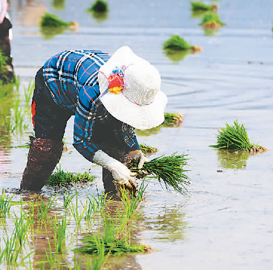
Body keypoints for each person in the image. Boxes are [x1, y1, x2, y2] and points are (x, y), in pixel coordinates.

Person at [20, 46, 167, 197]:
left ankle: (116, 201)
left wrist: (135, 152)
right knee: (47, 150)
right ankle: (28, 194)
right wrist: (113, 165)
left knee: (116, 148)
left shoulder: (133, 89)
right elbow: (81, 141)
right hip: (53, 88)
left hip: (82, 85)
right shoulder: (93, 93)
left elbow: (123, 124)